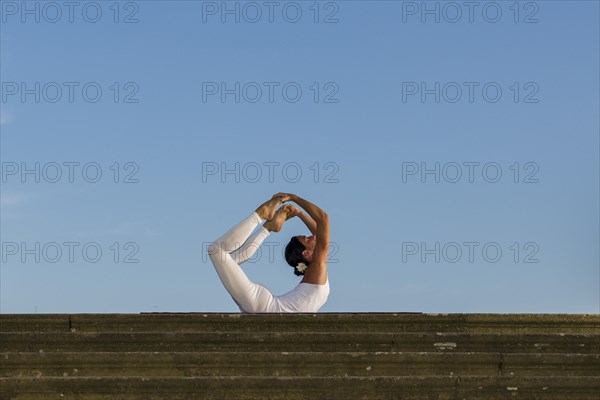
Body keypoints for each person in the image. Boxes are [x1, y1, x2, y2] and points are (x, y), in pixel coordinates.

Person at [207, 193, 330, 313]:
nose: (313, 237)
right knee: (219, 253)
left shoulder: (317, 267)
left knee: (223, 256)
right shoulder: (317, 269)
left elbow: (322, 223)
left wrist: (295, 199)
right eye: (308, 238)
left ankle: (266, 226)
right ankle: (262, 217)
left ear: (306, 253)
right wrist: (298, 211)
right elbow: (322, 225)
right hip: (262, 306)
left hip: (263, 306)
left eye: (307, 238)